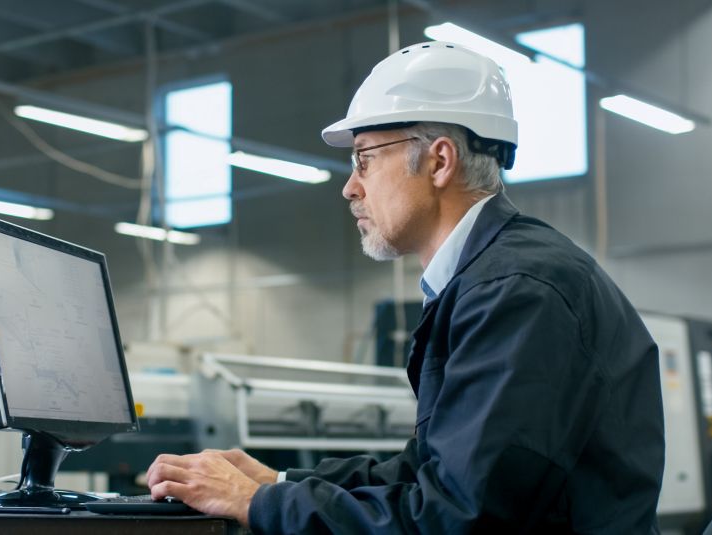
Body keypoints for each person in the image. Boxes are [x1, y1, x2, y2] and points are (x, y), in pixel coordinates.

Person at [147, 42, 665, 533]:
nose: (351, 185)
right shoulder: (490, 279)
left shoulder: (516, 292)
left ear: (439, 161)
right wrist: (275, 483)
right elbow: (427, 474)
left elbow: (450, 519)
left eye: (365, 158)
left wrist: (255, 504)